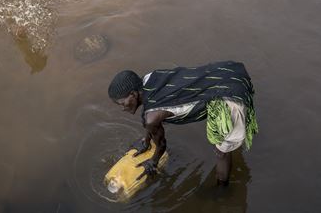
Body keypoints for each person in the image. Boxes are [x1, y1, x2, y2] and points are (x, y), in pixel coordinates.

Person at [107, 60, 258, 186]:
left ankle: (222, 190)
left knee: (222, 153)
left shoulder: (152, 117)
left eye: (122, 103)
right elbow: (150, 115)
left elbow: (161, 145)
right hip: (227, 74)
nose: (122, 108)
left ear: (133, 94)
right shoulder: (150, 79)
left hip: (229, 99)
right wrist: (146, 141)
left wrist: (152, 163)